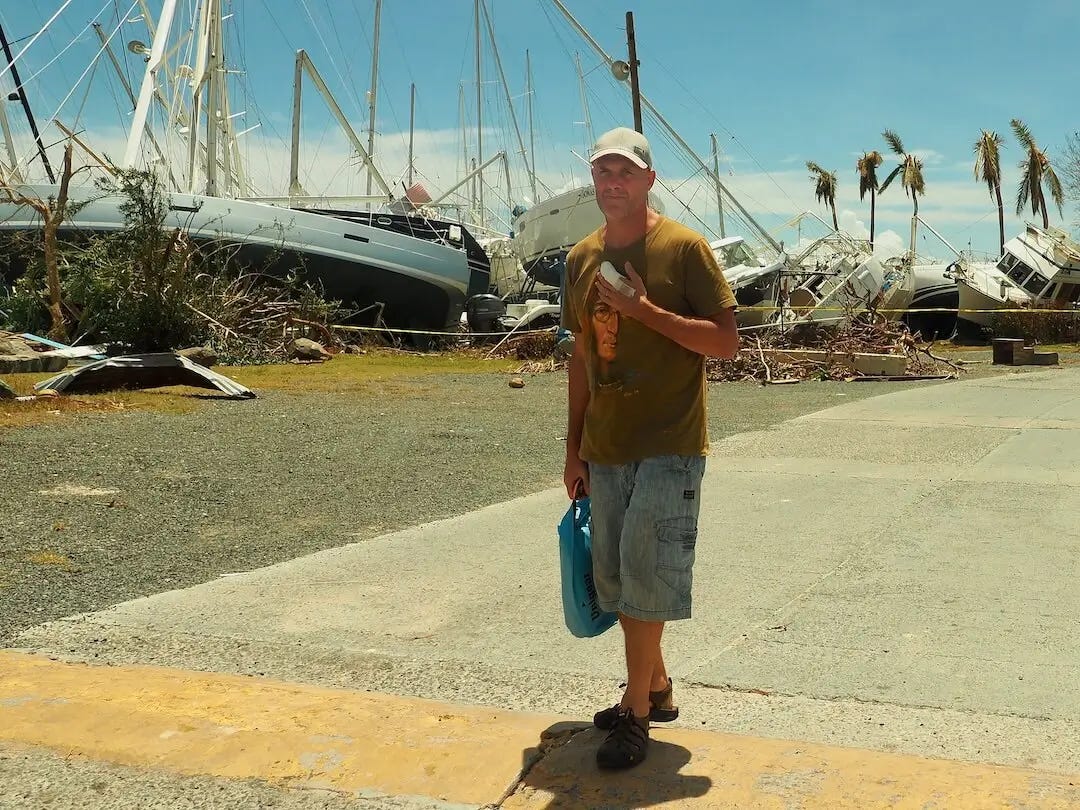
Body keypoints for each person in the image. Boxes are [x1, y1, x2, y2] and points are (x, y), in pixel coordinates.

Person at [561, 126, 739, 770]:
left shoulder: (684, 249)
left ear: (649, 180)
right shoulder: (580, 258)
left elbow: (725, 343)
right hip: (605, 447)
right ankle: (656, 689)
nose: (613, 184)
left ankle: (634, 712)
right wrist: (573, 447)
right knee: (615, 581)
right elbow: (581, 356)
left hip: (669, 440)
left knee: (644, 573)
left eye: (625, 173)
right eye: (603, 173)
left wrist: (644, 311)